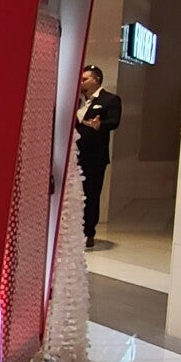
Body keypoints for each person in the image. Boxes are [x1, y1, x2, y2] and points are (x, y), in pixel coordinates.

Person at [74, 64, 121, 249]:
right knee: (74, 195)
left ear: (96, 80)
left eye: (85, 79)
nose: (81, 82)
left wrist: (99, 125)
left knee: (91, 194)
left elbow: (114, 121)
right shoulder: (76, 100)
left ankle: (88, 232)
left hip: (94, 156)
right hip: (74, 155)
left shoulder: (110, 99)